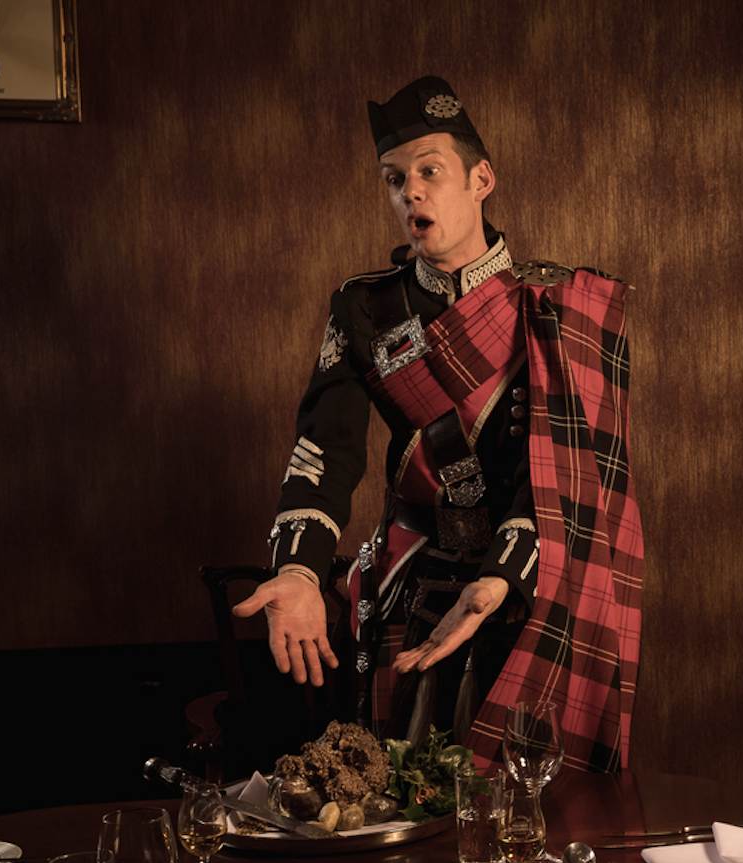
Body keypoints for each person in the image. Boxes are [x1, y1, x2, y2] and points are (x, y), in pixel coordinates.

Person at [233, 77, 643, 772]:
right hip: (411, 582)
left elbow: (575, 475)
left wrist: (501, 580)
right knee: (401, 783)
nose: (410, 194)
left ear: (481, 180)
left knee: (524, 795)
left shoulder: (560, 306)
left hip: (528, 578)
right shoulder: (364, 309)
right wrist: (300, 569)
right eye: (395, 180)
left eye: (429, 172)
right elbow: (324, 450)